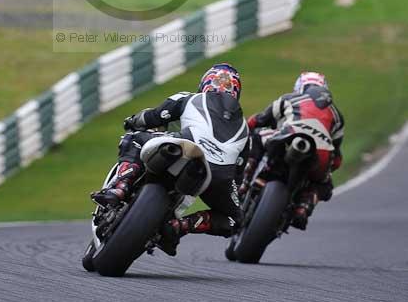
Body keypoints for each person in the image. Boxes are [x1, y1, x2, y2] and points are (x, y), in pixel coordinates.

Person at [92, 63, 249, 255]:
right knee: (234, 220)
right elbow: (238, 175)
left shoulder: (188, 97)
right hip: (218, 174)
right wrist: (228, 189)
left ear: (205, 84)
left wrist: (132, 121)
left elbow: (152, 117)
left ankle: (120, 187)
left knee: (133, 138)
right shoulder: (245, 129)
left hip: (184, 145)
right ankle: (180, 226)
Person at [241, 71, 344, 230]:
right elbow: (336, 159)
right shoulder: (337, 116)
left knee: (256, 137)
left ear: (299, 87)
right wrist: (328, 168)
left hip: (287, 138)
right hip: (321, 156)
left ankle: (244, 180)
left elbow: (259, 119)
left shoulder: (290, 98)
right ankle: (304, 207)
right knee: (325, 184)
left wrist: (245, 129)